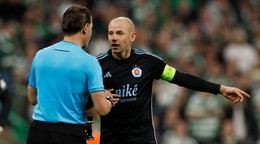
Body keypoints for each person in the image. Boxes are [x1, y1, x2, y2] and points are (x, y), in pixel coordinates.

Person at [94, 17, 250, 144]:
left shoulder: (148, 62)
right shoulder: (97, 65)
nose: (114, 38)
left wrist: (220, 89)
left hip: (143, 140)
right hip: (110, 140)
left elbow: (182, 78)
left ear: (132, 37)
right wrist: (99, 98)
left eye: (119, 33)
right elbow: (82, 102)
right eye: (111, 33)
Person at [27, 5, 119, 144]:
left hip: (39, 132)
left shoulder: (40, 55)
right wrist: (107, 99)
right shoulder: (90, 62)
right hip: (70, 134)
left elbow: (32, 98)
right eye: (92, 27)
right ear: (86, 27)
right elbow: (102, 109)